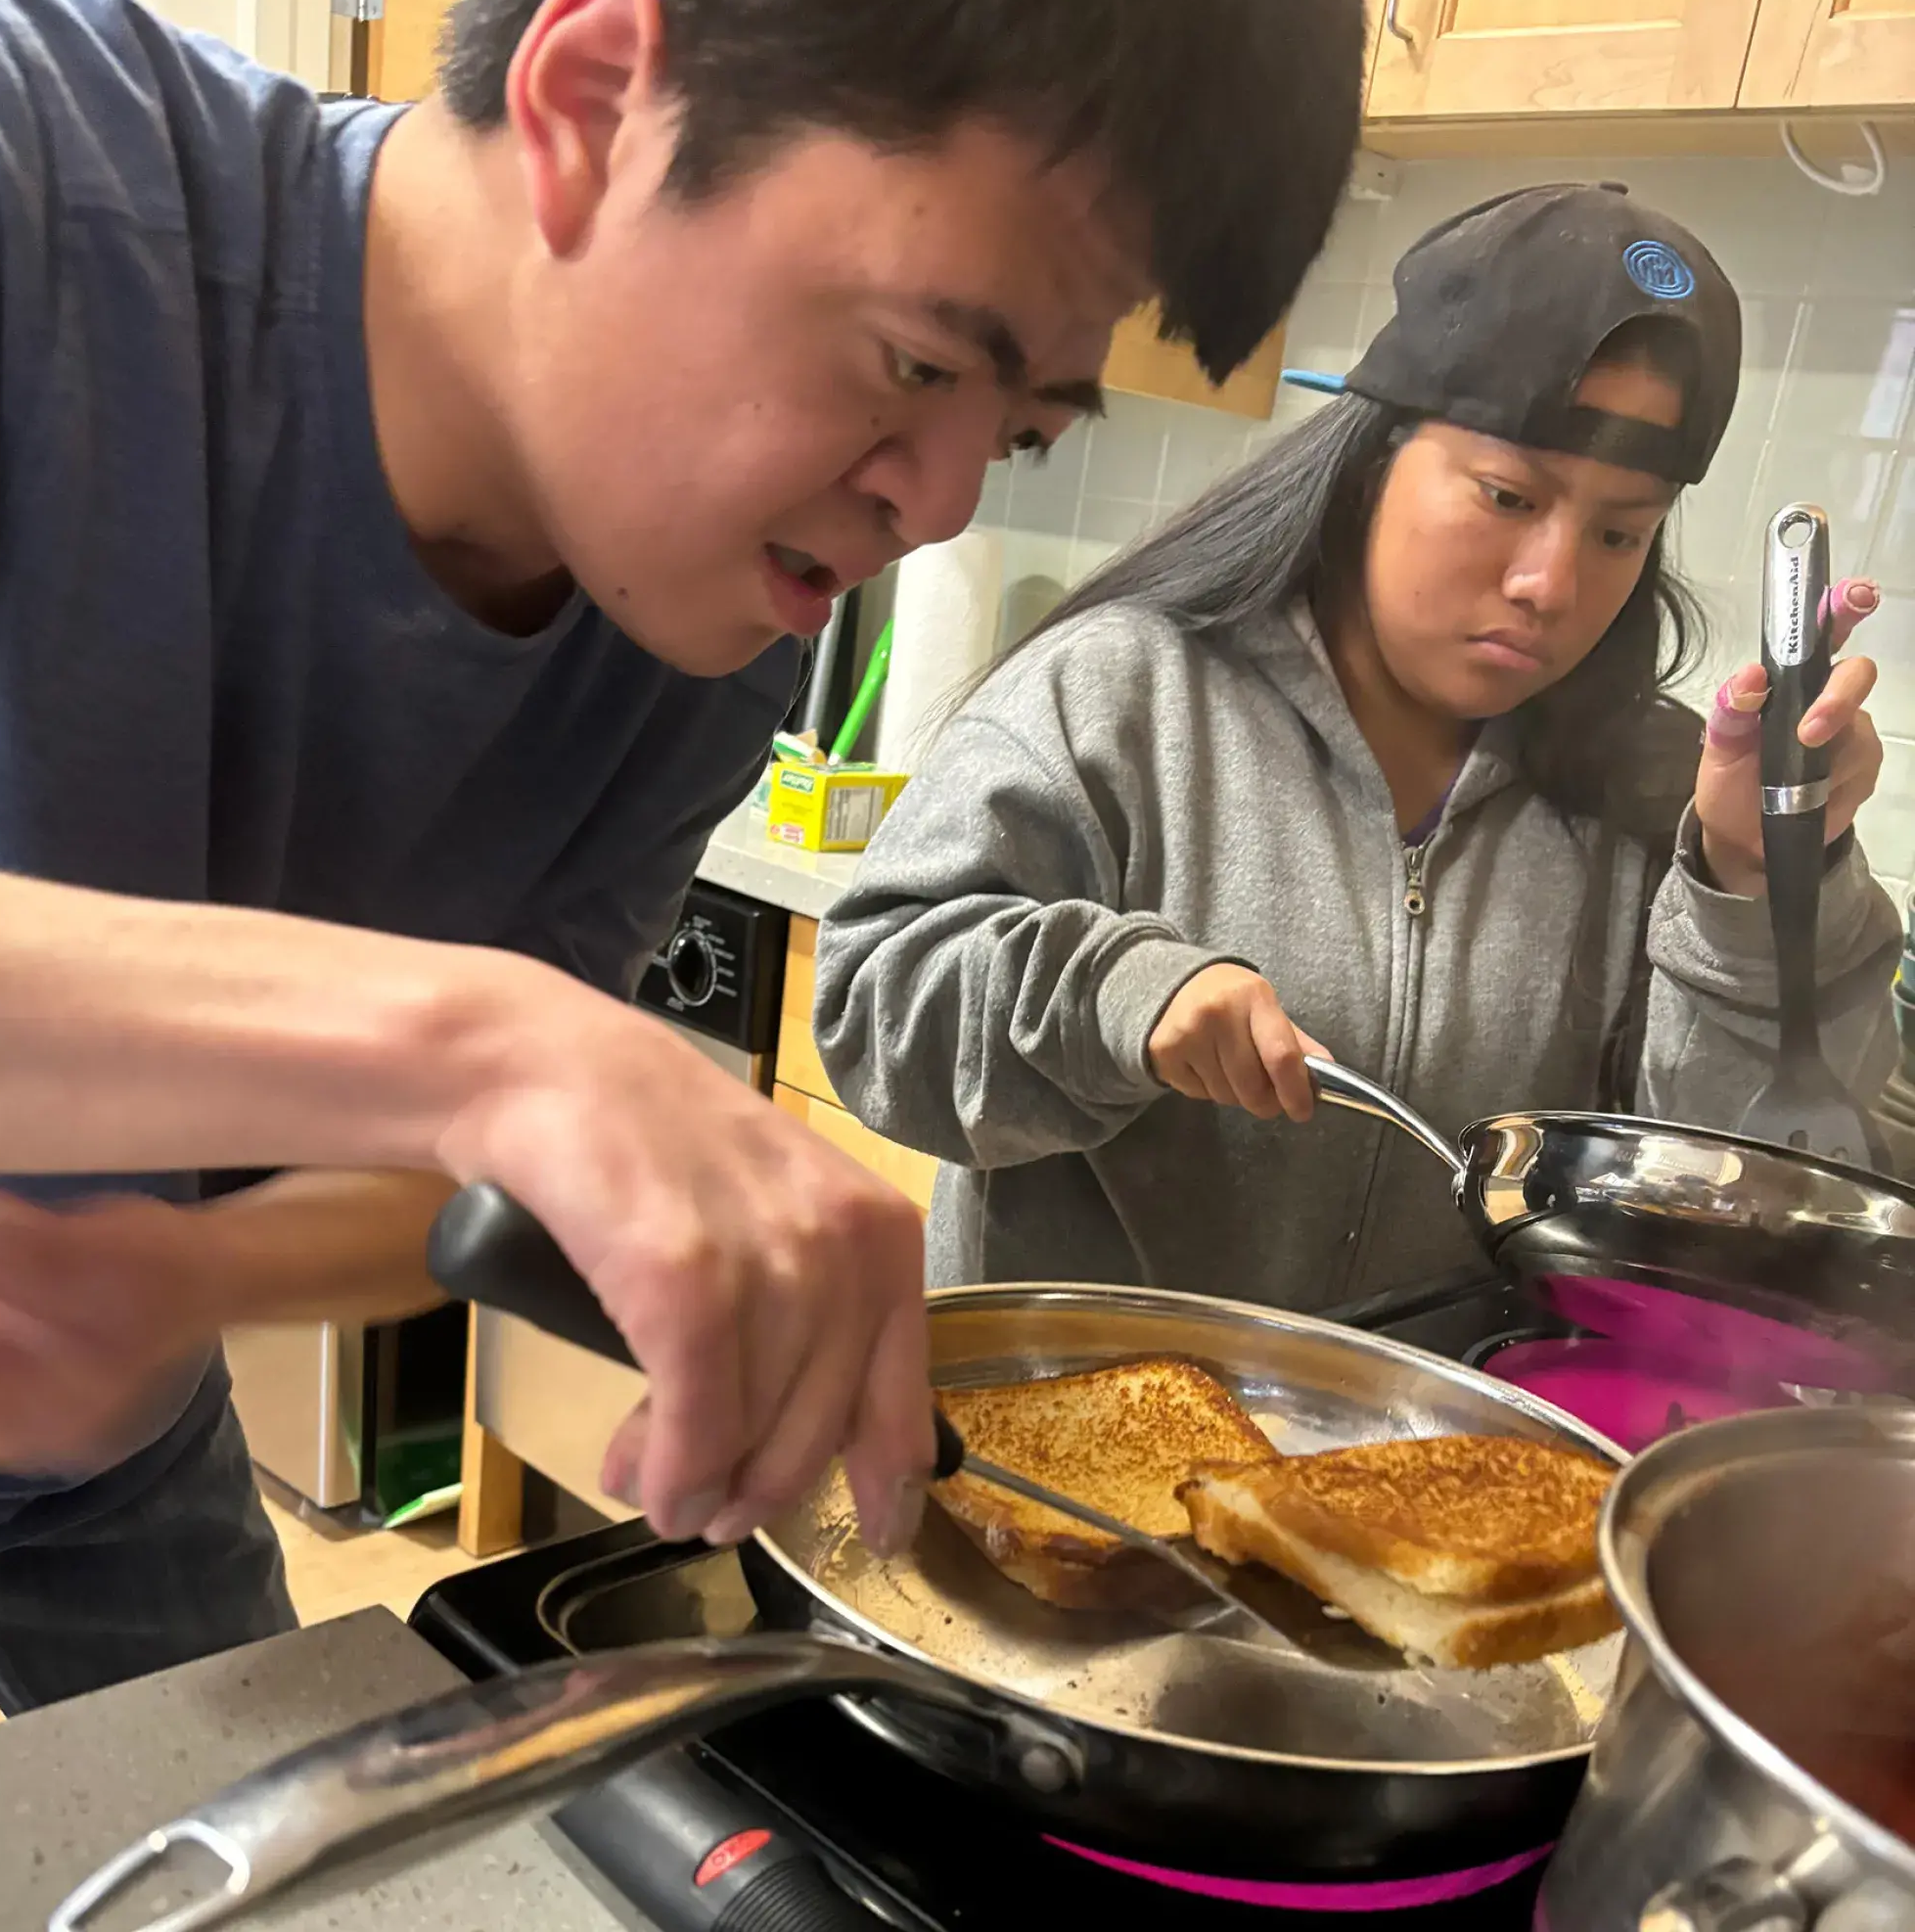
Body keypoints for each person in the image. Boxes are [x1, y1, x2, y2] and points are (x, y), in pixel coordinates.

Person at [0, 0, 1366, 1711]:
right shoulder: (15, 168)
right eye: (917, 362)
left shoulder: (693, 623)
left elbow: (468, 1168)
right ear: (598, 98)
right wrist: (488, 1047)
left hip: (101, 1444)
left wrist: (185, 1273)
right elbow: (495, 1084)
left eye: (1014, 434)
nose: (937, 507)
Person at [812, 183, 1900, 1311]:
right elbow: (872, 1008)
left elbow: (1742, 1212)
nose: (1550, 583)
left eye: (1619, 531)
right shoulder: (1122, 692)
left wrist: (1754, 881)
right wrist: (1114, 995)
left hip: (1424, 1422)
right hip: (1078, 1413)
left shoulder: (1653, 791)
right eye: (1505, 496)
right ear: (1376, 456)